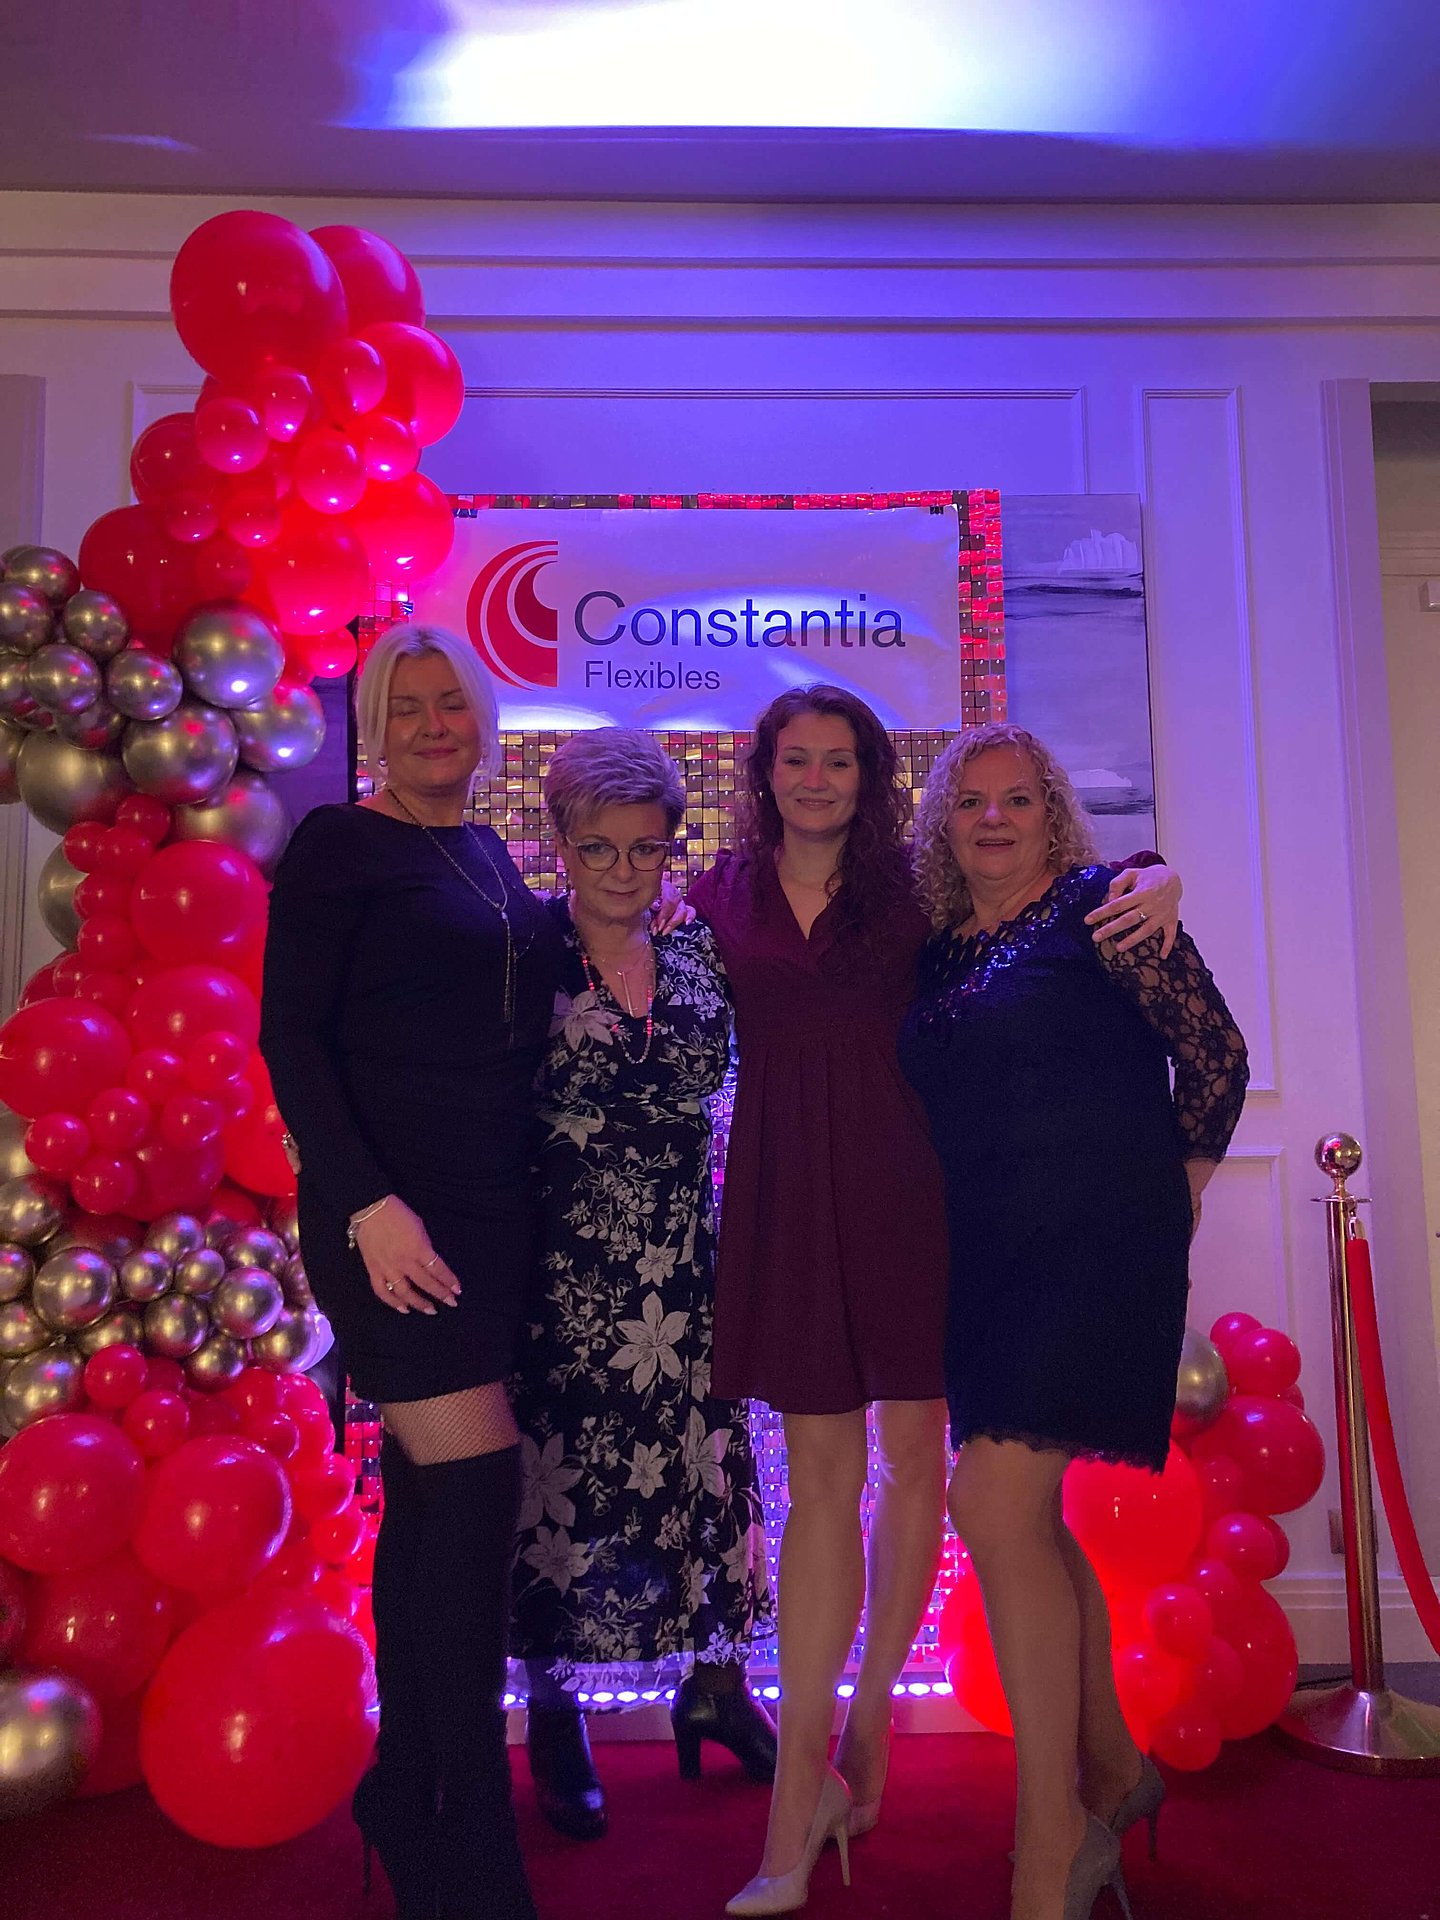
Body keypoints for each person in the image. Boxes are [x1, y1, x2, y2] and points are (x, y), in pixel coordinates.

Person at [687, 686, 1183, 1917]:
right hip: (790, 1198)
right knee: (822, 1488)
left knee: (933, 1474)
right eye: (796, 760)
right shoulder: (716, 895)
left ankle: (872, 1732)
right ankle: (799, 1799)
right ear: (764, 773)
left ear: (869, 777)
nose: (816, 780)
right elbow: (610, 938)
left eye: (839, 761)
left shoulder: (917, 897)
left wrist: (1156, 871)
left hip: (921, 1200)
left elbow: (1054, 901)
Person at [898, 723, 1248, 1920]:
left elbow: (1216, 1057)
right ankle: (1113, 1772)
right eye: (970, 803)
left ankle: (1050, 1838)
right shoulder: (938, 949)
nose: (993, 819)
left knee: (991, 1504)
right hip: (985, 1261)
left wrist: (1175, 1197)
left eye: (1018, 799)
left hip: (1097, 1249)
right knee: (1029, 1514)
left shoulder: (1107, 908)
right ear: (944, 827)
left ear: (1052, 813)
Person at [260, 624, 563, 1920]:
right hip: (389, 1225)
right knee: (478, 1488)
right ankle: (473, 1828)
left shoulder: (488, 851)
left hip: (493, 1220)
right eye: (409, 707)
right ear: (377, 729)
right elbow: (291, 1041)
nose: (437, 725)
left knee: (436, 1512)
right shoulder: (341, 846)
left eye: (453, 703)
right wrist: (369, 1206)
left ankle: (404, 1786)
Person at [510, 728, 776, 1841]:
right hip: (560, 1274)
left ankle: (715, 1688)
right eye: (599, 848)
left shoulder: (705, 951)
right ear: (560, 844)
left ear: (674, 847)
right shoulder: (522, 954)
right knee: (559, 1488)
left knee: (702, 1475)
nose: (624, 871)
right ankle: (556, 1710)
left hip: (686, 1266)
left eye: (647, 849)